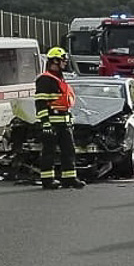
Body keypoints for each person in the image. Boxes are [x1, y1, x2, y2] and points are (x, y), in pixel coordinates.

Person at [35, 47, 85, 190]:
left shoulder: (59, 79)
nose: (65, 63)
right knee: (49, 153)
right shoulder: (45, 80)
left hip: (64, 123)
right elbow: (40, 103)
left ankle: (69, 178)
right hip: (51, 123)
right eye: (63, 61)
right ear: (55, 61)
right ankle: (47, 180)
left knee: (68, 151)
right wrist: (45, 124)